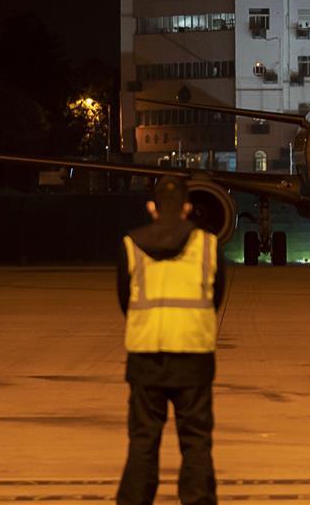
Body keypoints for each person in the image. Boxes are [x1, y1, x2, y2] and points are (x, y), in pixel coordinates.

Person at [116, 176, 225, 505]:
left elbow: (125, 298)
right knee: (196, 440)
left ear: (153, 207)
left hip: (146, 354)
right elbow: (215, 296)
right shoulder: (208, 244)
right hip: (193, 353)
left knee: (143, 439)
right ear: (187, 208)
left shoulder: (131, 243)